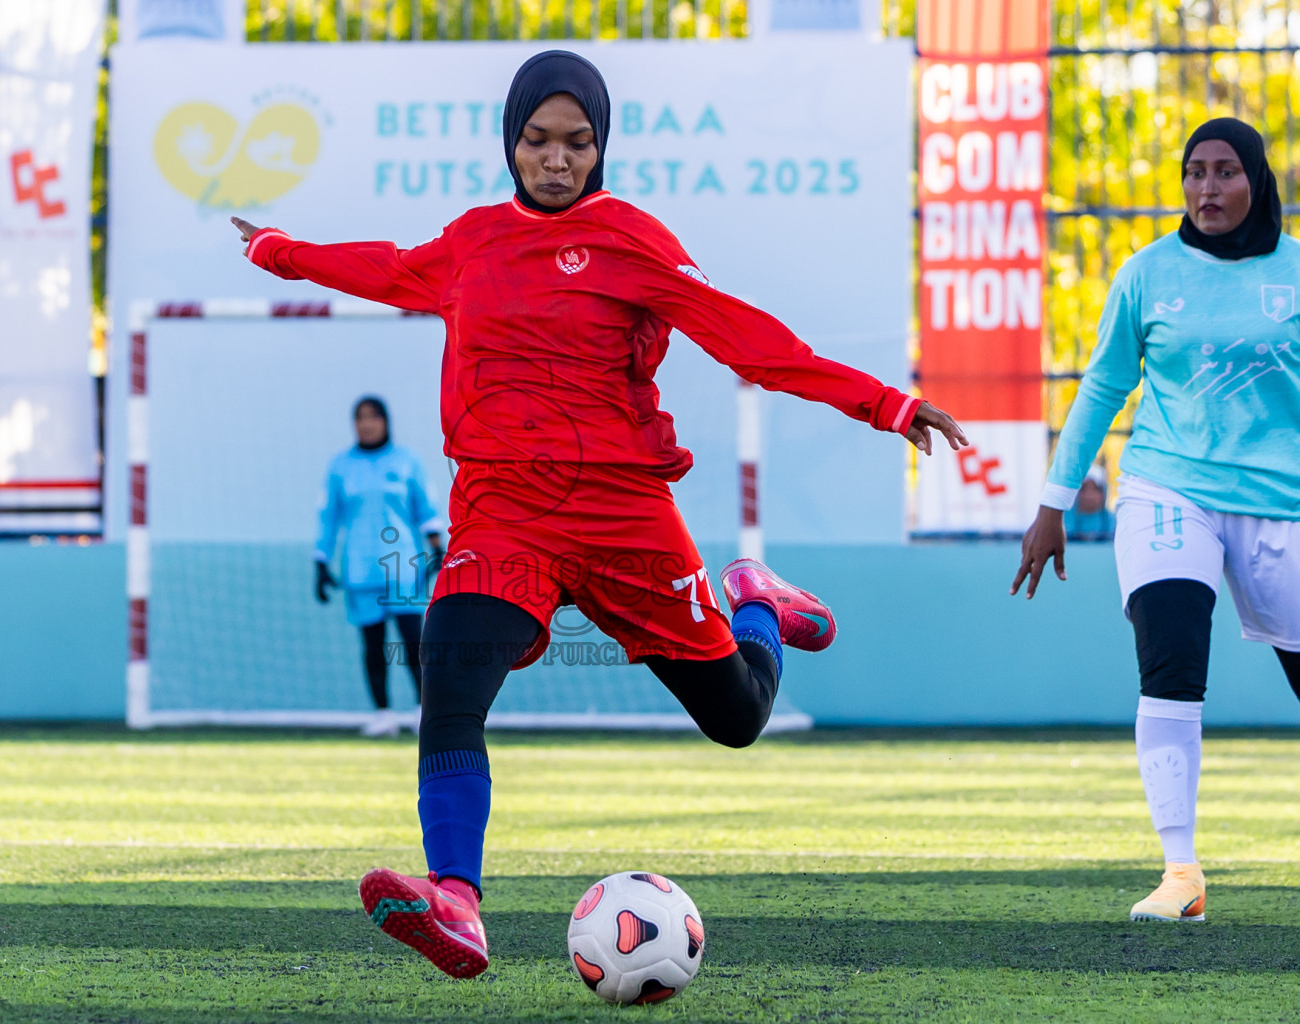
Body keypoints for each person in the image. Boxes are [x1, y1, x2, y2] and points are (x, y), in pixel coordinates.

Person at [233, 50, 966, 980]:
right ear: (511, 142)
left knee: (737, 719)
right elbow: (382, 268)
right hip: (503, 514)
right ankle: (456, 900)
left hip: (624, 514)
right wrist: (275, 248)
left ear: (601, 147)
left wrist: (885, 404)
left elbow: (750, 340)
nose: (555, 159)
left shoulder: (632, 239)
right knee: (448, 671)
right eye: (538, 140)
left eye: (576, 143)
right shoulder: (470, 243)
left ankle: (755, 606)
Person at [1012, 117, 1300, 925]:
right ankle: (1181, 873)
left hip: (1282, 502)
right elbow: (1102, 389)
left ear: (1258, 180)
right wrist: (1052, 505)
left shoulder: (1296, 272)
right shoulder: (1147, 274)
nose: (1208, 189)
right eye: (1194, 172)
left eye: (1225, 172)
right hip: (1169, 488)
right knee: (1170, 652)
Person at [316, 396, 444, 738]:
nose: (367, 423)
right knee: (372, 646)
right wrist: (320, 560)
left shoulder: (406, 462)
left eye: (373, 416)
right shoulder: (340, 467)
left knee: (414, 643)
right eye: (360, 417)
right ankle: (383, 714)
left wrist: (436, 546)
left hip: (402, 567)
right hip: (361, 569)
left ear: (386, 421)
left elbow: (425, 507)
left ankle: (423, 711)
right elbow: (328, 518)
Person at [1061, 463, 1115, 541]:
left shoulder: (1114, 522)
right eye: (1083, 489)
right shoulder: (1062, 521)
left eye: (1095, 489)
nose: (1089, 495)